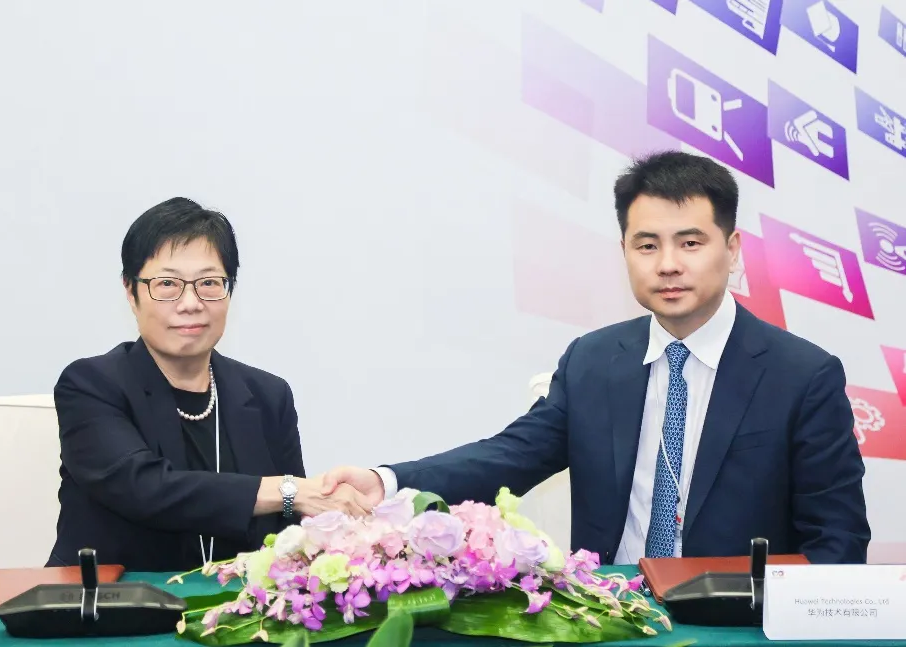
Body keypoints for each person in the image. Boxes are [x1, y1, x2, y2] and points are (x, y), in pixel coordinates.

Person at [322, 151, 871, 565]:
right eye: (647, 245)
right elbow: (509, 456)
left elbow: (837, 539)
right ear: (625, 252)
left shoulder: (802, 376)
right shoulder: (593, 360)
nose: (669, 264)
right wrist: (388, 481)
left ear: (731, 251)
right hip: (610, 615)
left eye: (691, 243)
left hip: (734, 626)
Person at [47, 197, 369, 572]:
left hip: (238, 612)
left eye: (209, 283)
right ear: (130, 291)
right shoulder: (91, 385)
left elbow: (290, 528)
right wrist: (289, 491)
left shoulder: (268, 395)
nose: (190, 302)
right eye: (167, 283)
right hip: (110, 610)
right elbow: (145, 488)